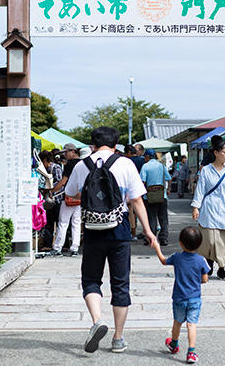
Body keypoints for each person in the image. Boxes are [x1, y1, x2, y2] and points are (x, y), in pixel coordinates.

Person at [64, 126, 156, 354]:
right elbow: (136, 200)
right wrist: (148, 230)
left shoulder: (81, 165)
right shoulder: (125, 164)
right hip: (120, 228)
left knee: (91, 279)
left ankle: (97, 321)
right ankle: (118, 338)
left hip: (94, 228)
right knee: (120, 283)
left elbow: (71, 192)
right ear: (115, 144)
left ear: (92, 145)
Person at [191, 135, 225, 280]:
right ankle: (208, 265)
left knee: (223, 241)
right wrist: (196, 207)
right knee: (209, 240)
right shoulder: (206, 170)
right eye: (224, 152)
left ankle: (222, 268)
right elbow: (200, 190)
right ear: (215, 153)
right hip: (210, 209)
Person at [153, 227, 209, 364]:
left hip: (179, 297)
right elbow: (205, 279)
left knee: (177, 322)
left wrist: (157, 247)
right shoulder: (201, 260)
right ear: (199, 243)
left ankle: (174, 344)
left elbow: (163, 261)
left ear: (180, 243)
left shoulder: (177, 258)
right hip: (194, 298)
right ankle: (191, 352)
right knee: (192, 325)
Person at [49, 143, 82, 256]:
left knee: (63, 222)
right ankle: (75, 248)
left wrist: (52, 191)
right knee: (76, 223)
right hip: (79, 197)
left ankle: (57, 248)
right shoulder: (83, 163)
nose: (65, 155)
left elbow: (63, 182)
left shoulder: (70, 164)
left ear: (73, 151)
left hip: (68, 196)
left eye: (66, 152)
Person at [140, 149, 172, 246]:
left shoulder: (145, 166)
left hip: (149, 197)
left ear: (148, 157)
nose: (144, 159)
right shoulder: (162, 166)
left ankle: (151, 238)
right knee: (163, 218)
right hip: (162, 196)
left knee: (151, 218)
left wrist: (140, 194)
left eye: (145, 157)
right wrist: (168, 189)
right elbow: (169, 178)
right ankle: (164, 238)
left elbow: (142, 182)